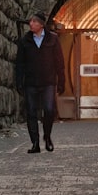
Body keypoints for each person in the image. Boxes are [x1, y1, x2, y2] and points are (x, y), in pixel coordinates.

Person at [15, 13, 66, 153]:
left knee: (49, 110)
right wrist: (19, 81)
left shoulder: (53, 39)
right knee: (31, 112)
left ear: (41, 24)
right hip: (31, 82)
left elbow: (59, 62)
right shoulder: (25, 40)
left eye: (34, 21)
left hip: (48, 81)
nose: (31, 24)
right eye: (30, 21)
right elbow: (20, 63)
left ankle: (47, 136)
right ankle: (35, 143)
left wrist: (61, 81)